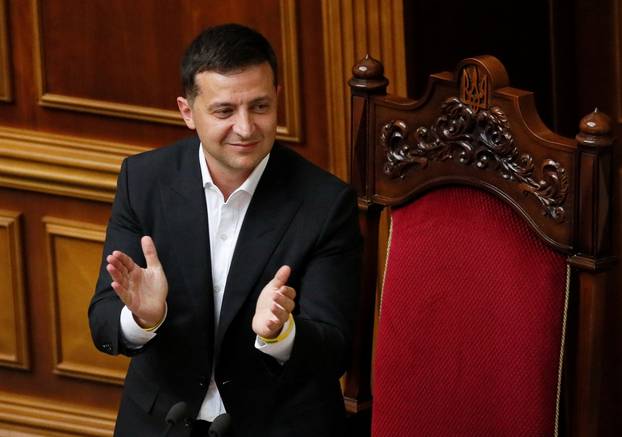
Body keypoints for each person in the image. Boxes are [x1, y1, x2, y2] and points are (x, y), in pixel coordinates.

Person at [88, 23, 362, 437]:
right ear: (187, 112)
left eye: (260, 106)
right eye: (224, 111)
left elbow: (336, 349)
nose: (247, 128)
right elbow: (103, 319)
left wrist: (283, 333)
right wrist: (142, 318)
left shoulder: (326, 203)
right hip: (160, 423)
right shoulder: (143, 180)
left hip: (277, 425)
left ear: (278, 100)